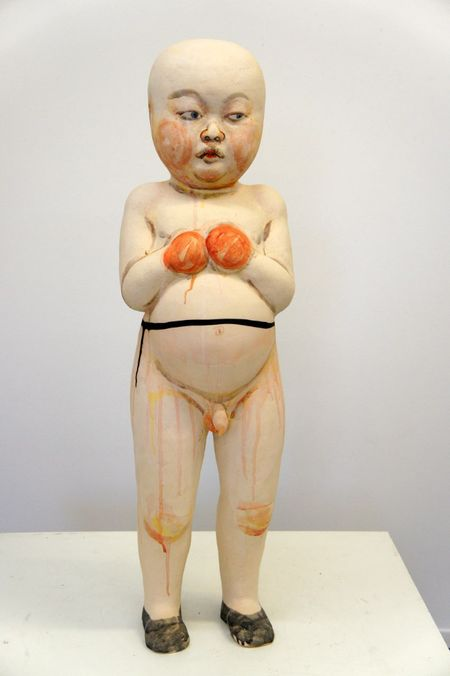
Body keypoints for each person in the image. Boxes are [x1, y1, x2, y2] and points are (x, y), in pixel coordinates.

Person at [119, 38, 295, 653]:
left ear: (261, 120)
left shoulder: (265, 203)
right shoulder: (147, 202)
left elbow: (282, 291)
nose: (213, 132)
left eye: (235, 115)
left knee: (252, 501)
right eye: (190, 113)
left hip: (256, 379)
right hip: (168, 381)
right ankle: (161, 605)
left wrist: (248, 259)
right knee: (165, 502)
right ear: (151, 116)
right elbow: (132, 289)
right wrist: (170, 258)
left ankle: (241, 597)